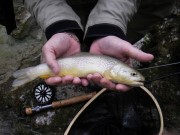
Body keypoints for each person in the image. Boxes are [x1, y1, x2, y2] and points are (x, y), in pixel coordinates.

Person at [24, 0, 174, 91]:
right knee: (64, 51)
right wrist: (59, 27)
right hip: (61, 6)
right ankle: (34, 72)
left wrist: (109, 28)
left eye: (133, 74)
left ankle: (102, 40)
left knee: (117, 38)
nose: (134, 76)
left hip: (135, 6)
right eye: (133, 74)